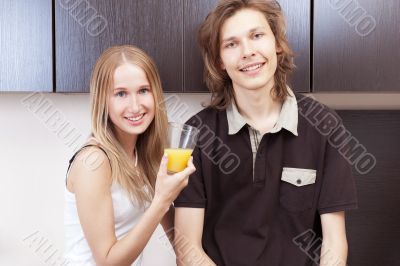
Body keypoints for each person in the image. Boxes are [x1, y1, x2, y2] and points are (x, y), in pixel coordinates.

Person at [174, 1, 357, 265]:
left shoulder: (325, 125)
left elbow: (334, 242)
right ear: (219, 61)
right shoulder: (196, 135)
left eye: (257, 36)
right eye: (231, 44)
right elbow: (187, 248)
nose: (247, 52)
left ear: (277, 44)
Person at [64, 45, 195, 265]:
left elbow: (178, 236)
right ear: (102, 101)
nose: (135, 106)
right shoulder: (94, 162)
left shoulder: (143, 155)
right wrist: (162, 200)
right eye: (121, 93)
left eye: (143, 90)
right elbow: (108, 262)